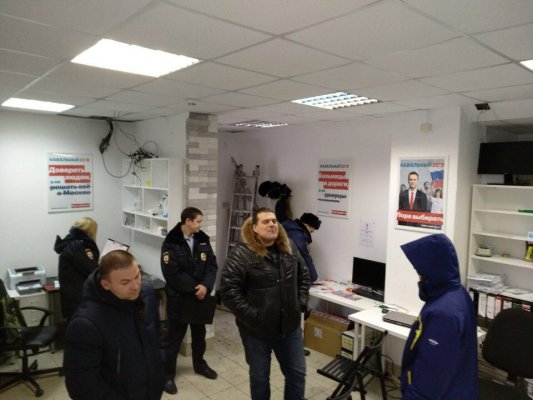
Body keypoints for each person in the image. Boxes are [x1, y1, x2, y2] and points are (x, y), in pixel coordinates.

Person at [220, 207, 310, 400]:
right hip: (256, 332)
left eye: (274, 221)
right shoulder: (241, 254)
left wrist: (300, 303)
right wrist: (254, 316)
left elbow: (304, 275)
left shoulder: (289, 247)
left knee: (297, 374)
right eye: (266, 221)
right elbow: (228, 291)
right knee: (260, 378)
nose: (272, 224)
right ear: (254, 227)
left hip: (289, 328)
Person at [63, 250, 164, 400]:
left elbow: (156, 335)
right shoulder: (85, 324)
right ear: (106, 284)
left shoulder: (147, 294)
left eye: (137, 276)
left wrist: (160, 370)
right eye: (125, 282)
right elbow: (82, 386)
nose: (135, 286)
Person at [400, 234, 478, 400]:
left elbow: (430, 376)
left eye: (421, 273)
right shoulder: (457, 293)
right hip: (458, 386)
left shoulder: (444, 313)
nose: (419, 277)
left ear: (432, 270)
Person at [160, 207, 218, 395]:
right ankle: (167, 375)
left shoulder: (202, 239)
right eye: (198, 221)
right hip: (180, 297)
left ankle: (199, 365)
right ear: (188, 221)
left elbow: (211, 265)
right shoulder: (171, 242)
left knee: (199, 335)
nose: (201, 224)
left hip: (200, 296)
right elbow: (171, 273)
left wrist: (205, 286)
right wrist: (195, 289)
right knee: (173, 338)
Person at [54, 217, 99, 320]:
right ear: (90, 232)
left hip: (72, 295)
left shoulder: (70, 240)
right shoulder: (79, 246)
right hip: (79, 297)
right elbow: (91, 270)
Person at [282, 212, 321, 283]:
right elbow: (305, 257)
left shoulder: (289, 228)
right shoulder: (298, 236)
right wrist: (313, 277)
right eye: (311, 231)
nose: (310, 234)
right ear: (307, 226)